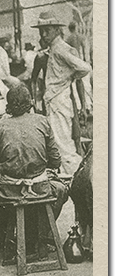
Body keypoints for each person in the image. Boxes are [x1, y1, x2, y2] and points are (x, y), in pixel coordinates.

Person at [0, 84, 68, 257]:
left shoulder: (0, 126)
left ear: (9, 105)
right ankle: (41, 237)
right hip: (40, 190)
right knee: (61, 189)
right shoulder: (42, 121)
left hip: (8, 192)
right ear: (29, 102)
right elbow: (55, 160)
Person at [32, 11, 92, 175]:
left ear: (57, 30)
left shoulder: (60, 49)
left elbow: (85, 68)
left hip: (59, 99)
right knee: (59, 142)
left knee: (63, 144)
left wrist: (69, 77)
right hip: (55, 99)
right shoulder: (53, 49)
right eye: (41, 31)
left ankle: (78, 177)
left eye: (47, 30)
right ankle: (72, 178)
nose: (44, 35)